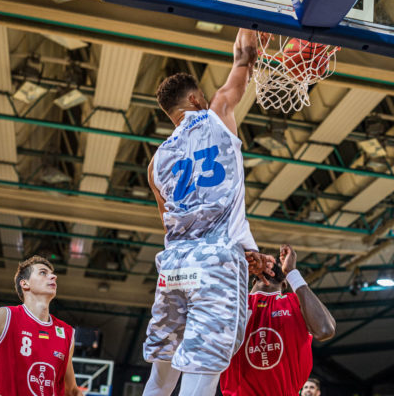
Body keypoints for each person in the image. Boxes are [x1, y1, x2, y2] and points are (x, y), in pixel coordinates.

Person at [143, 28, 276, 396]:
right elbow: (243, 61)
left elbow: (170, 222)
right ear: (195, 97)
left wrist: (247, 250)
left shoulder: (156, 163)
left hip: (173, 269)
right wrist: (250, 20)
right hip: (215, 264)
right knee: (202, 372)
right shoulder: (216, 112)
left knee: (161, 377)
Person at [0, 256, 81, 396]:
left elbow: (71, 391)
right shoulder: (5, 317)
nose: (53, 277)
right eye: (43, 272)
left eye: (52, 274)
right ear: (25, 283)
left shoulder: (66, 332)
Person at [220, 244, 336, 395]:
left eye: (275, 262)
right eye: (265, 261)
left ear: (285, 283)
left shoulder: (296, 302)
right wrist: (241, 270)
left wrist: (293, 273)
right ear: (254, 280)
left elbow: (325, 330)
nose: (271, 262)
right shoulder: (236, 302)